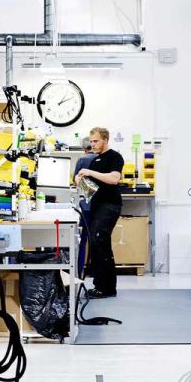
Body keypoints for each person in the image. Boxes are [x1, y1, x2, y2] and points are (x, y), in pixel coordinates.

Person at [74, 127, 124, 299]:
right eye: (91, 141)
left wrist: (89, 172)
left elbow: (114, 178)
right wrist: (79, 181)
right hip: (97, 206)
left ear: (105, 140)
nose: (93, 144)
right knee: (100, 245)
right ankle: (105, 287)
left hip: (109, 206)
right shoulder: (95, 160)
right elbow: (90, 190)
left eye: (96, 141)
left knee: (98, 242)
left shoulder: (114, 157)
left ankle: (103, 288)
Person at [73, 138, 96, 276]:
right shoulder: (102, 159)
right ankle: (95, 271)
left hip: (86, 205)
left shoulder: (82, 160)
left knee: (82, 240)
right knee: (97, 240)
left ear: (83, 148)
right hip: (100, 206)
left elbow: (75, 180)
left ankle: (79, 270)